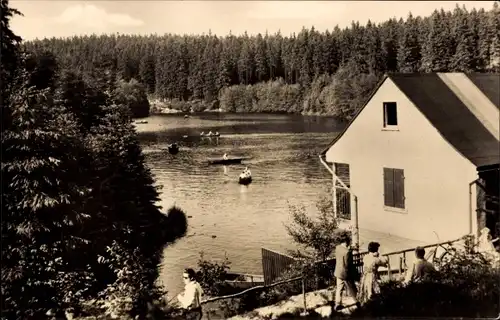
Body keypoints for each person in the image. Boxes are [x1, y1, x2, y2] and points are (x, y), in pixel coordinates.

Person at [334, 231, 361, 310]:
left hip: (338, 272)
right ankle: (358, 302)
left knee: (339, 289)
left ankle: (337, 304)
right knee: (352, 288)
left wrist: (349, 249)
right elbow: (348, 265)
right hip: (346, 273)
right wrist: (354, 274)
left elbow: (342, 253)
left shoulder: (337, 247)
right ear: (346, 242)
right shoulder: (347, 252)